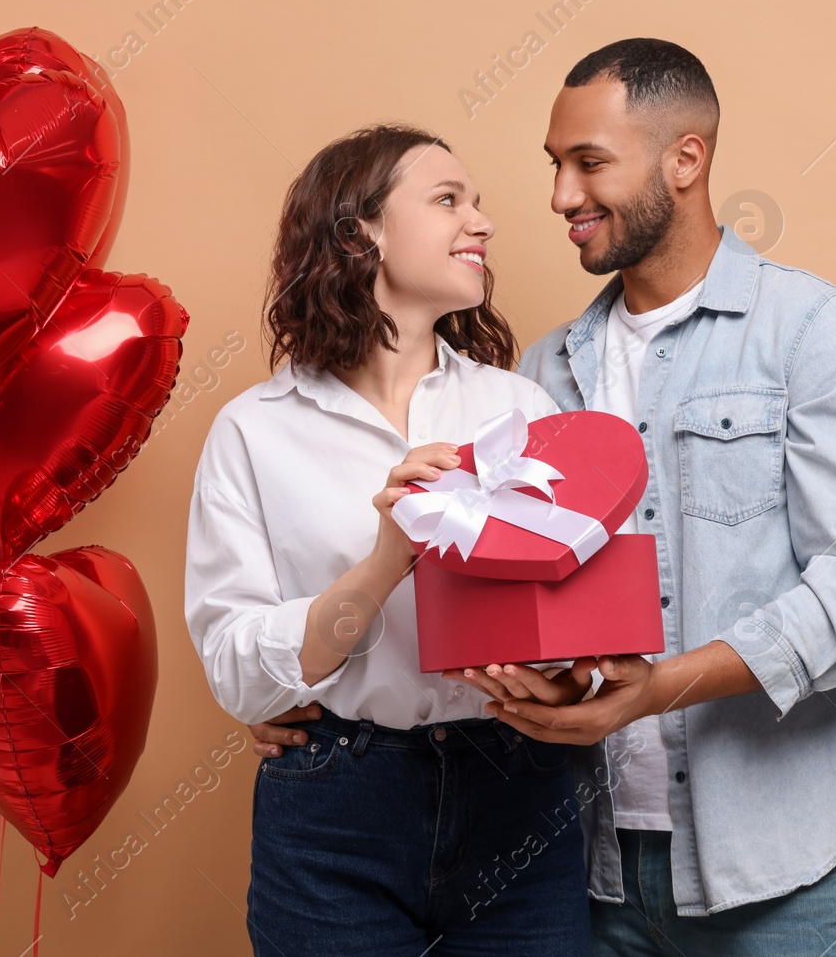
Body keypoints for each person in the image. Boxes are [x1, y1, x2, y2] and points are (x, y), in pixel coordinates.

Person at [464, 38, 836, 955]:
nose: (561, 196)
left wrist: (659, 688)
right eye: (555, 166)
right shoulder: (543, 370)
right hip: (592, 868)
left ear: (686, 159)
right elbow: (534, 590)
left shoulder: (816, 333)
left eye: (589, 163)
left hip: (786, 869)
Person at [184, 123, 598, 957]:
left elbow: (581, 636)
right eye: (449, 200)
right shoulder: (252, 432)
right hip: (336, 809)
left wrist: (562, 683)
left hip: (517, 791)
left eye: (476, 203)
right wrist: (384, 561)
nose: (481, 222)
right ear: (357, 231)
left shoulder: (521, 411)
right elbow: (237, 673)